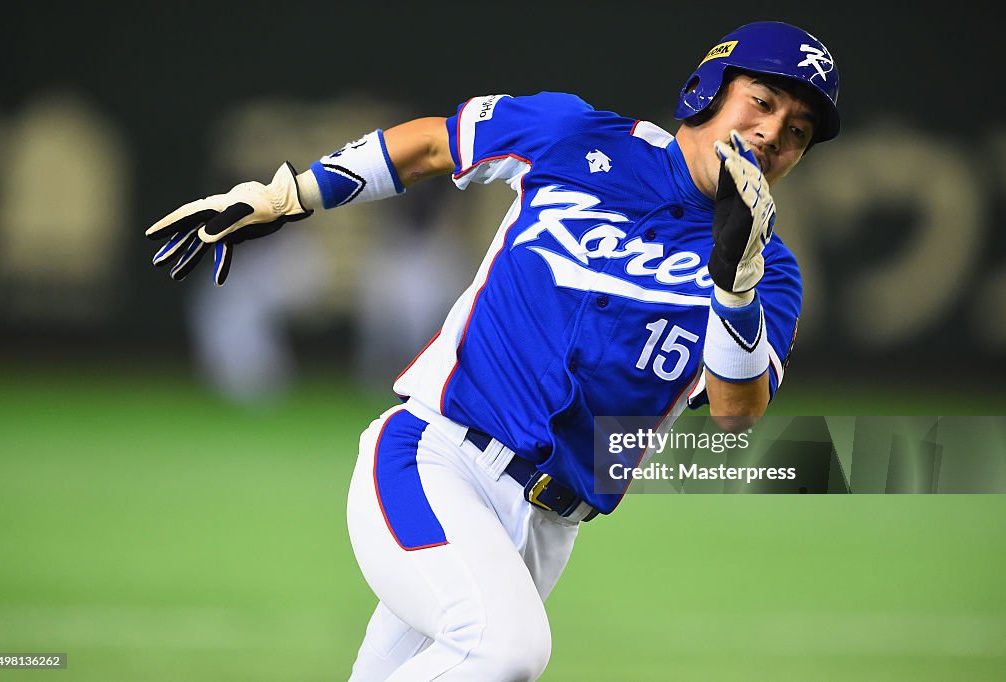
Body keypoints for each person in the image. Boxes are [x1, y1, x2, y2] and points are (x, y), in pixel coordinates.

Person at [146, 20, 840, 681]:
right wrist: (291, 195)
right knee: (505, 650)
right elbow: (431, 146)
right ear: (709, 89)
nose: (773, 132)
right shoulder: (575, 137)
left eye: (799, 131)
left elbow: (736, 412)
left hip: (549, 527)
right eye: (763, 100)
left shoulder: (770, 272)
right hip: (436, 457)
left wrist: (735, 285)